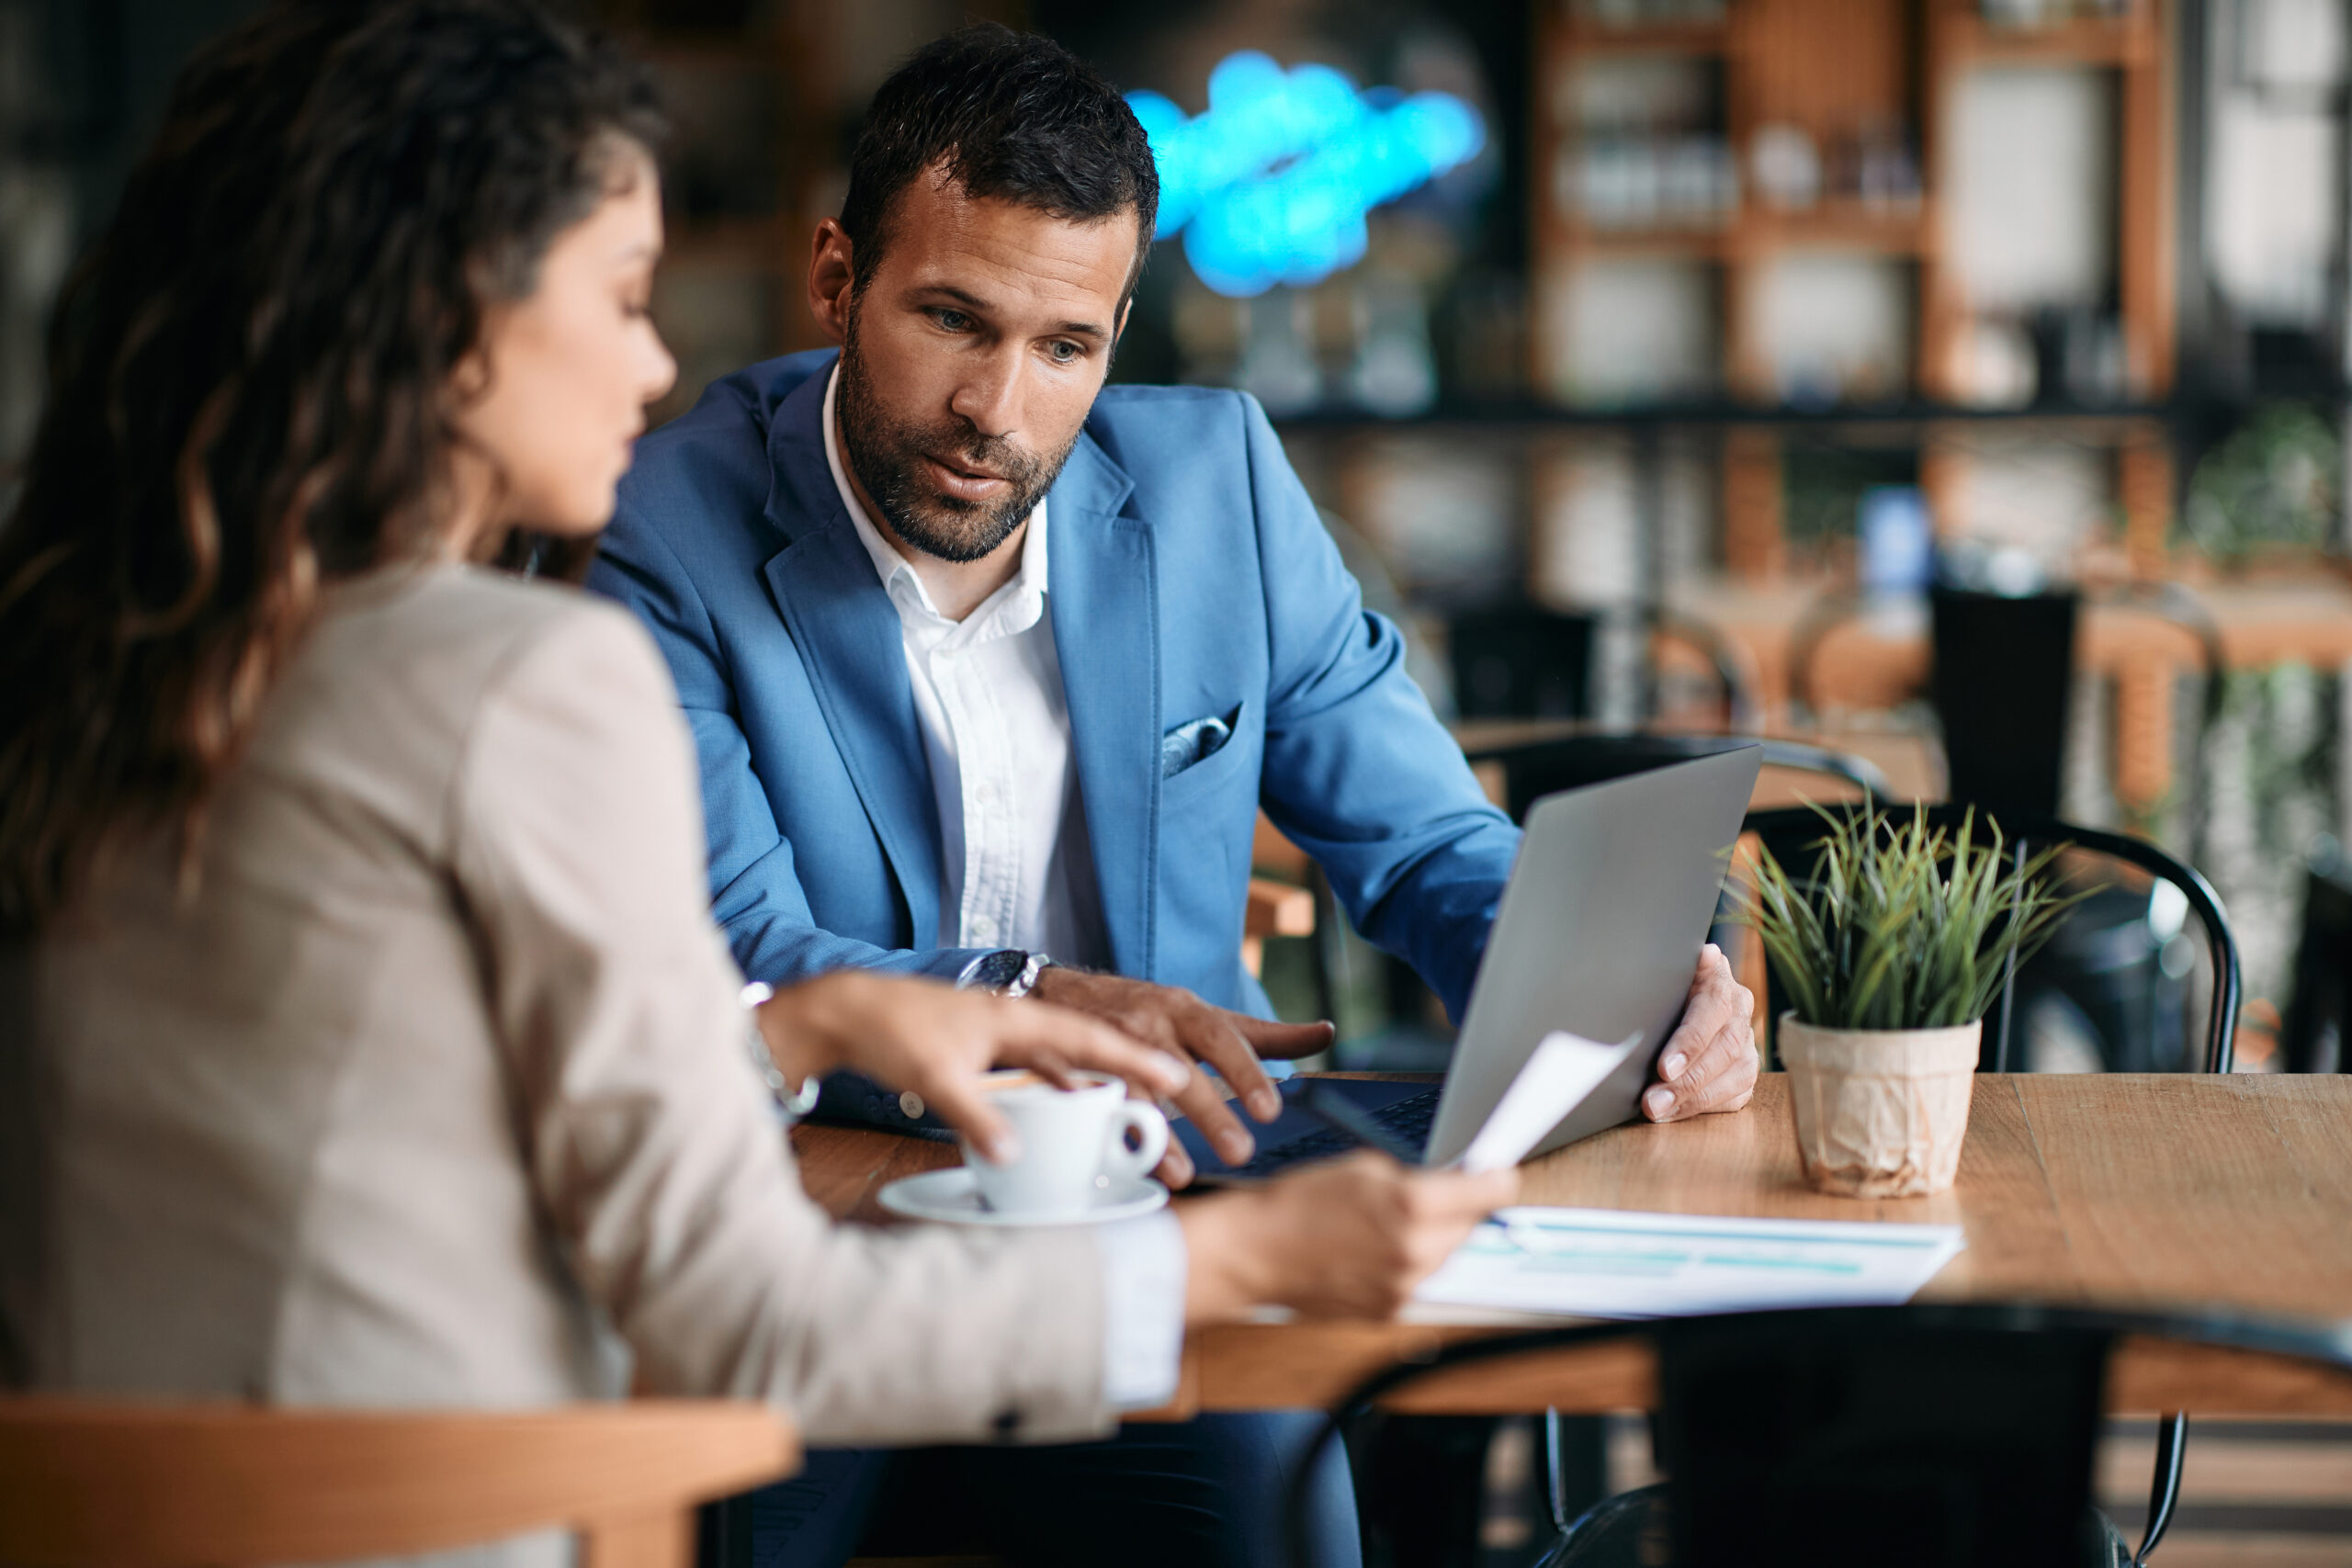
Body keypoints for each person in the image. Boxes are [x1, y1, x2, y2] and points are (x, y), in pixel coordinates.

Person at [0, 6, 1515, 1568]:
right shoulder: (533, 666)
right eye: (623, 295)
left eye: (1064, 344)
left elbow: (409, 1097)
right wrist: (1237, 1260)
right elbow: (748, 1310)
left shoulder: (89, 665)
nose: (659, 360)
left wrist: (800, 1026)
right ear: (447, 326)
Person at [588, 23, 1758, 1568]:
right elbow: (749, 950)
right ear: (833, 279)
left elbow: (1423, 845)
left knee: (1286, 1518)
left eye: (1064, 347)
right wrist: (1049, 1003)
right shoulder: (661, 526)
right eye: (952, 318)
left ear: (1119, 332)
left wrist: (1608, 987)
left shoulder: (1223, 490)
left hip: (1162, 1233)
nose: (998, 410)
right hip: (825, 1236)